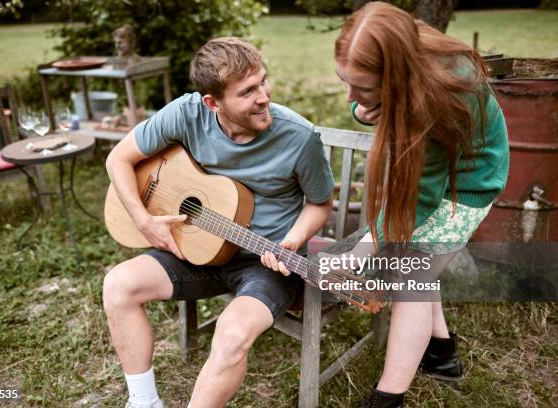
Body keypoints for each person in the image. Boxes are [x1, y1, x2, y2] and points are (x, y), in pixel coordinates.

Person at [103, 37, 334, 408]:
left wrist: (291, 240)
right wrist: (144, 220)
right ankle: (143, 401)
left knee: (230, 335)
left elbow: (321, 204)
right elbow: (119, 159)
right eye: (247, 91)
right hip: (194, 250)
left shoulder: (299, 137)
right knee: (118, 285)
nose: (264, 96)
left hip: (266, 262)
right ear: (212, 103)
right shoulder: (186, 113)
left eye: (263, 81)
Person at [330, 2, 508, 407]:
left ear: (396, 75)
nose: (349, 97)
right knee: (419, 266)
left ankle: (388, 396)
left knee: (409, 279)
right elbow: (369, 105)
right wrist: (365, 107)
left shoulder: (437, 95)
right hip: (440, 180)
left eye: (363, 87)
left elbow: (415, 204)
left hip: (464, 188)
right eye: (345, 81)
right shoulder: (406, 54)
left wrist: (357, 253)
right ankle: (442, 355)